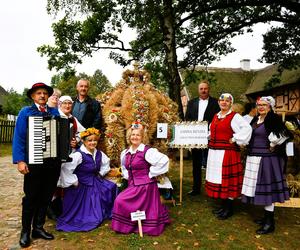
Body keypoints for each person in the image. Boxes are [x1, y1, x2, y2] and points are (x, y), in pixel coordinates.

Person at [12, 82, 61, 248]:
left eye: (45, 93)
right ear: (33, 96)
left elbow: (61, 134)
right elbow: (19, 138)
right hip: (33, 163)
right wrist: (20, 160)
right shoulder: (26, 112)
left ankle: (38, 228)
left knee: (46, 196)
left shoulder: (54, 112)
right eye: (39, 93)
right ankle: (25, 231)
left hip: (52, 164)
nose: (42, 96)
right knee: (31, 197)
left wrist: (68, 142)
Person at [241, 96, 291, 234]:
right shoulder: (255, 120)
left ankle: (270, 223)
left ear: (270, 107)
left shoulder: (273, 119)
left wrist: (273, 144)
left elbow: (285, 134)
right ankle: (265, 218)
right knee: (260, 189)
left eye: (264, 105)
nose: (261, 107)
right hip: (254, 158)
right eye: (259, 105)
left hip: (267, 159)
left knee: (268, 190)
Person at [111, 124, 170, 236]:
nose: (135, 137)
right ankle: (129, 224)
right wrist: (128, 176)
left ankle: (137, 225)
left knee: (120, 200)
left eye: (138, 135)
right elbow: (124, 167)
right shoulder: (126, 152)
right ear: (129, 136)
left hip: (146, 187)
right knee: (120, 200)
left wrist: (151, 173)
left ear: (142, 137)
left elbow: (164, 160)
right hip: (133, 186)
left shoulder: (147, 151)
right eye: (133, 134)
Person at [56, 127, 118, 232]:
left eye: (95, 140)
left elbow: (105, 164)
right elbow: (65, 169)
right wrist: (74, 181)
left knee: (111, 187)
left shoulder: (99, 153)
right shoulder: (78, 155)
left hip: (95, 180)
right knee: (92, 208)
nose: (93, 143)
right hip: (81, 184)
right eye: (89, 140)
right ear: (84, 142)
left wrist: (100, 173)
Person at [205, 93, 252, 220]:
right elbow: (211, 131)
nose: (224, 102)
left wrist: (236, 138)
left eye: (227, 101)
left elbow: (247, 129)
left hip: (227, 153)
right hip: (215, 152)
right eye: (222, 100)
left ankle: (229, 208)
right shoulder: (216, 116)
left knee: (228, 180)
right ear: (219, 102)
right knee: (220, 179)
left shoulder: (235, 117)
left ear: (231, 103)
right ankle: (223, 206)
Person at [47, 95, 87, 221]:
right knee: (53, 178)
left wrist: (77, 140)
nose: (67, 106)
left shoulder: (73, 119)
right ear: (60, 104)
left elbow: (84, 132)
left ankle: (61, 205)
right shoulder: (54, 116)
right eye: (65, 103)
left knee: (64, 176)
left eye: (70, 103)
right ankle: (50, 206)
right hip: (53, 154)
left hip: (69, 153)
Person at [185, 80, 220, 195]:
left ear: (208, 89)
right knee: (196, 164)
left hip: (211, 137)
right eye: (201, 89)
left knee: (213, 163)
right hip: (196, 136)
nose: (203, 90)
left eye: (205, 88)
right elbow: (187, 119)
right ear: (198, 90)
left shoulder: (216, 103)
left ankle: (213, 189)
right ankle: (196, 188)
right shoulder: (191, 103)